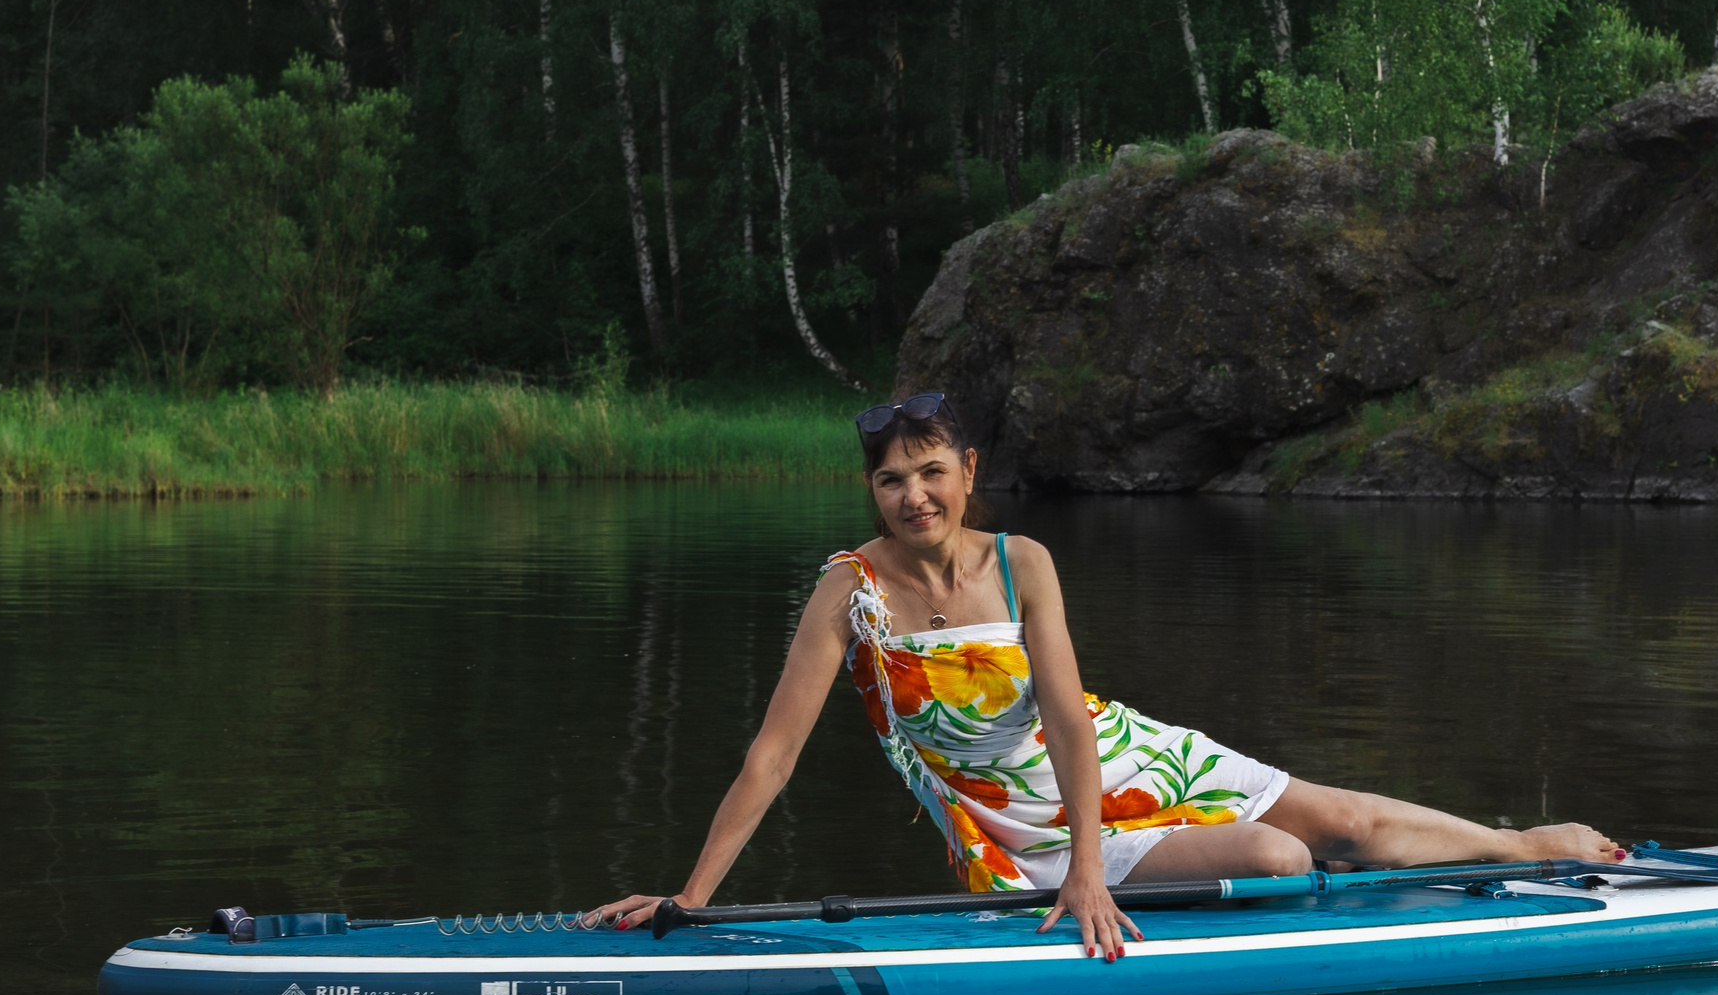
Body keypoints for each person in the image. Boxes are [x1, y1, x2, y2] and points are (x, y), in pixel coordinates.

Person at [584, 392, 1622, 957]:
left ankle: (1521, 844)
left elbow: (1074, 724)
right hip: (1013, 831)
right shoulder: (847, 593)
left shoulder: (1021, 561)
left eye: (931, 470)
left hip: (1121, 761)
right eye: (891, 477)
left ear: (968, 473)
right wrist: (689, 897)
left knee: (1341, 819)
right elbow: (771, 755)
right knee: (1272, 856)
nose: (912, 494)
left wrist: (1095, 867)